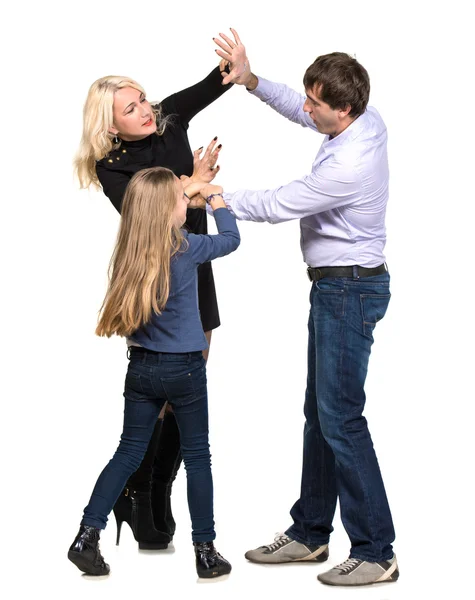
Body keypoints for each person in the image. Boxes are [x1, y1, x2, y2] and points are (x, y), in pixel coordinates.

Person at [211, 30, 399, 587]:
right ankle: (311, 534)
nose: (307, 105)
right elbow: (300, 109)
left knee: (341, 419)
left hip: (350, 292)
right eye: (309, 96)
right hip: (336, 289)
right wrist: (249, 81)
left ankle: (375, 550)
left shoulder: (348, 165)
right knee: (321, 416)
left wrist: (211, 196)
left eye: (317, 101)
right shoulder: (361, 116)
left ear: (343, 108)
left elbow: (277, 205)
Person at [73, 56, 248, 549]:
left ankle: (158, 489)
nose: (146, 110)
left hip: (194, 262)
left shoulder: (168, 117)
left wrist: (234, 70)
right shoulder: (110, 169)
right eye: (131, 108)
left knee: (186, 388)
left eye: (143, 99)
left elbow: (212, 85)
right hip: (155, 279)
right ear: (110, 125)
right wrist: (194, 181)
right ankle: (138, 489)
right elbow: (146, 214)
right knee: (163, 388)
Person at [67, 167, 240, 578]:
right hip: (184, 369)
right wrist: (216, 199)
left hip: (141, 369)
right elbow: (231, 240)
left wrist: (188, 194)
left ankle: (87, 534)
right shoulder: (185, 247)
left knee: (127, 452)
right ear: (166, 211)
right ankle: (205, 550)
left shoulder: (129, 252)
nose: (188, 204)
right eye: (182, 200)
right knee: (198, 458)